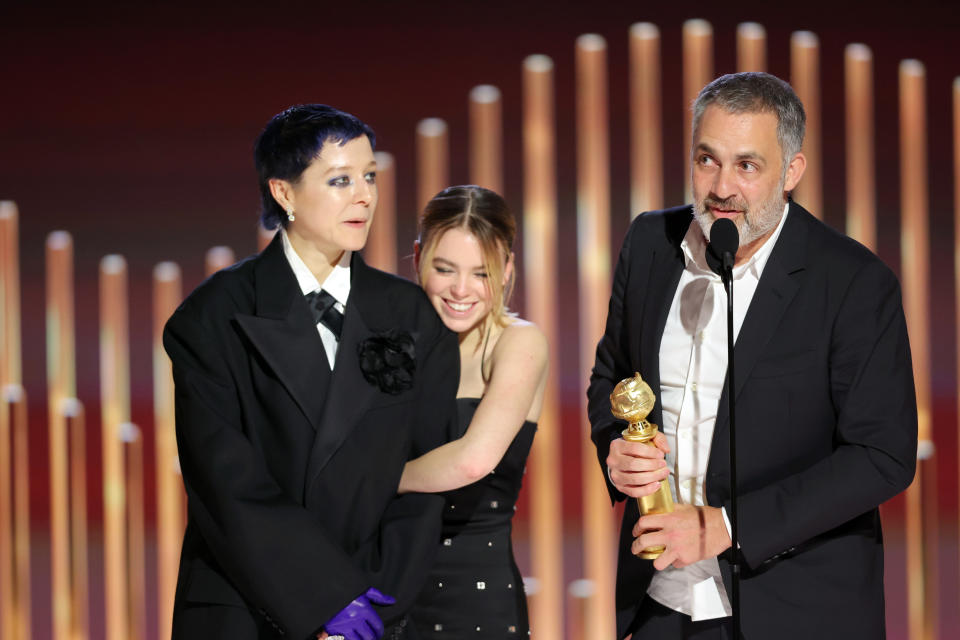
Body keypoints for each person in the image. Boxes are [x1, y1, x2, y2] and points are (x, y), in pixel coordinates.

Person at [587, 72, 917, 639]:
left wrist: (728, 526)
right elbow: (611, 378)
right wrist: (616, 449)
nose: (721, 187)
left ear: (791, 172)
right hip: (659, 601)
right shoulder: (649, 243)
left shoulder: (853, 282)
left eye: (747, 165)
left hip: (794, 608)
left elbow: (882, 454)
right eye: (707, 159)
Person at [164, 104, 459, 640]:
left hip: (376, 611)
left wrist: (372, 605)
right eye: (340, 180)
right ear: (284, 194)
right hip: (247, 604)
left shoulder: (411, 314)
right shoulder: (214, 315)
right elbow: (226, 482)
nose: (365, 196)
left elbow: (425, 478)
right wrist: (326, 598)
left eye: (370, 176)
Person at [397, 185, 548, 638]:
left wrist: (377, 478)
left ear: (507, 270)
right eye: (444, 269)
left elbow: (473, 459)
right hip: (385, 585)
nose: (460, 290)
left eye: (481, 273)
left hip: (474, 600)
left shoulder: (518, 342)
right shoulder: (394, 340)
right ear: (419, 255)